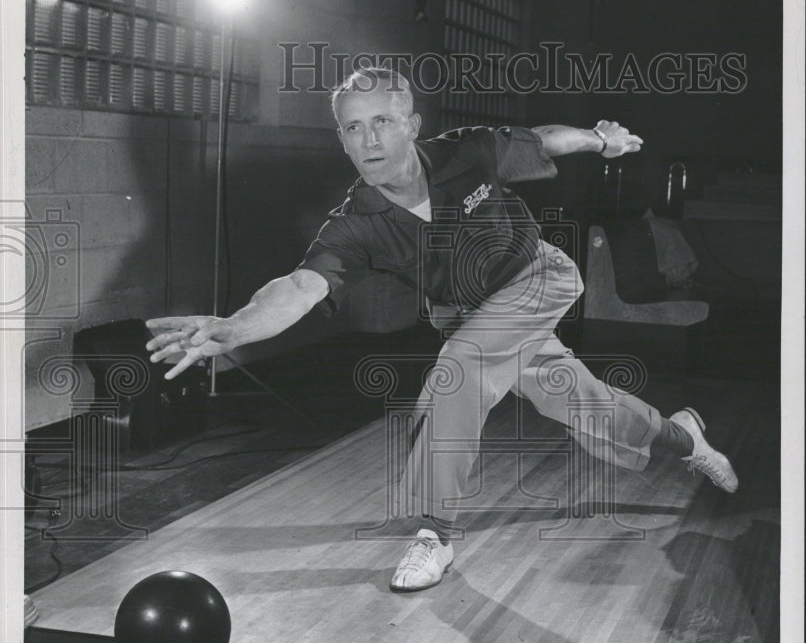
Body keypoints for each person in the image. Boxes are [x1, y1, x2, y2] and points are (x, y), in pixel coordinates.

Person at [147, 67, 738, 593]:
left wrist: (600, 139)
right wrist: (233, 327)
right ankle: (685, 437)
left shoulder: (467, 152)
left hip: (536, 278)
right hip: (473, 316)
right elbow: (301, 286)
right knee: (582, 405)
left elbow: (543, 141)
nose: (369, 139)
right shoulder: (355, 223)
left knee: (458, 368)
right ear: (343, 141)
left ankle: (437, 531)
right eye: (353, 128)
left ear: (412, 124)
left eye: (382, 121)